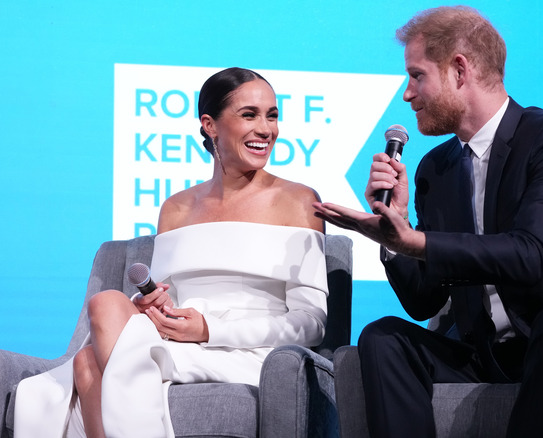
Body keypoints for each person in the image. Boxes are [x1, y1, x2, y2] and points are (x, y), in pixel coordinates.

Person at [312, 6, 543, 437]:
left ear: (459, 70)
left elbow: (530, 255)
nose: (407, 93)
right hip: (486, 352)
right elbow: (424, 301)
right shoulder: (435, 169)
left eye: (417, 75)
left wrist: (416, 241)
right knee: (385, 336)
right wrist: (394, 231)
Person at [14, 67, 329, 437]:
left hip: (252, 350)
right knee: (106, 305)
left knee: (90, 363)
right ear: (210, 125)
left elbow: (312, 322)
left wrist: (210, 329)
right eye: (249, 115)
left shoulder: (298, 202)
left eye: (272, 116)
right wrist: (154, 307)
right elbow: (168, 298)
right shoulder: (176, 208)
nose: (266, 129)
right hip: (177, 340)